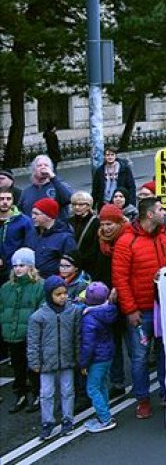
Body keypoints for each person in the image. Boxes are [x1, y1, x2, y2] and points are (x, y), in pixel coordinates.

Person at [111, 196, 166, 420]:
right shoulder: (126, 242)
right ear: (150, 215)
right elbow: (120, 278)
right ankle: (142, 399)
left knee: (165, 353)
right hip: (141, 311)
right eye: (161, 209)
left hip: (164, 310)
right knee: (139, 357)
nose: (164, 212)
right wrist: (130, 310)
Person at [27, 275, 82, 440]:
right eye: (58, 294)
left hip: (67, 359)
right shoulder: (38, 317)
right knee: (46, 393)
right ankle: (47, 422)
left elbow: (77, 336)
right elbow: (33, 343)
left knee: (67, 391)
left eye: (64, 293)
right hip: (46, 361)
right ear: (49, 295)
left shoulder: (73, 311)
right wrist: (34, 362)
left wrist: (78, 357)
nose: (63, 297)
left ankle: (67, 420)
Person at [2, 247, 42, 414]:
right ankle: (21, 394)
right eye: (16, 265)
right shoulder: (6, 287)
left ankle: (37, 394)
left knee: (32, 366)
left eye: (22, 265)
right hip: (12, 334)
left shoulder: (39, 286)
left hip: (30, 335)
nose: (18, 269)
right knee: (18, 367)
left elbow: (41, 310)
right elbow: (2, 308)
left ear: (31, 267)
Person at [79, 281, 119, 433]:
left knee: (92, 388)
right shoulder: (109, 310)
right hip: (107, 355)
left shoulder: (89, 318)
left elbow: (87, 345)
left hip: (96, 359)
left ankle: (105, 418)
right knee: (102, 384)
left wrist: (83, 363)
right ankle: (105, 413)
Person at [28, 198, 77, 280]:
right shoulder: (33, 233)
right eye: (32, 213)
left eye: (36, 214)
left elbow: (71, 266)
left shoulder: (65, 238)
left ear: (49, 216)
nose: (33, 217)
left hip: (53, 284)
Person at [19, 155, 73, 222]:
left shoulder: (59, 185)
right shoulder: (26, 192)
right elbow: (21, 213)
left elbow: (69, 199)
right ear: (34, 170)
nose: (43, 167)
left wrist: (53, 178)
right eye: (39, 166)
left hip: (56, 230)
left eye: (46, 165)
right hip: (33, 230)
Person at [0, 187, 35, 282]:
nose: (5, 202)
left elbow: (29, 247)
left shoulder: (24, 221)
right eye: (1, 199)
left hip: (15, 270)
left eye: (8, 199)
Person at [91, 147, 136, 211]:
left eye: (112, 155)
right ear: (104, 156)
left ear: (116, 156)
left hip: (120, 203)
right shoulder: (100, 171)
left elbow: (131, 188)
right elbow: (95, 190)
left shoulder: (124, 169)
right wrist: (92, 206)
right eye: (107, 155)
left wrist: (132, 205)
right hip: (104, 203)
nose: (110, 157)